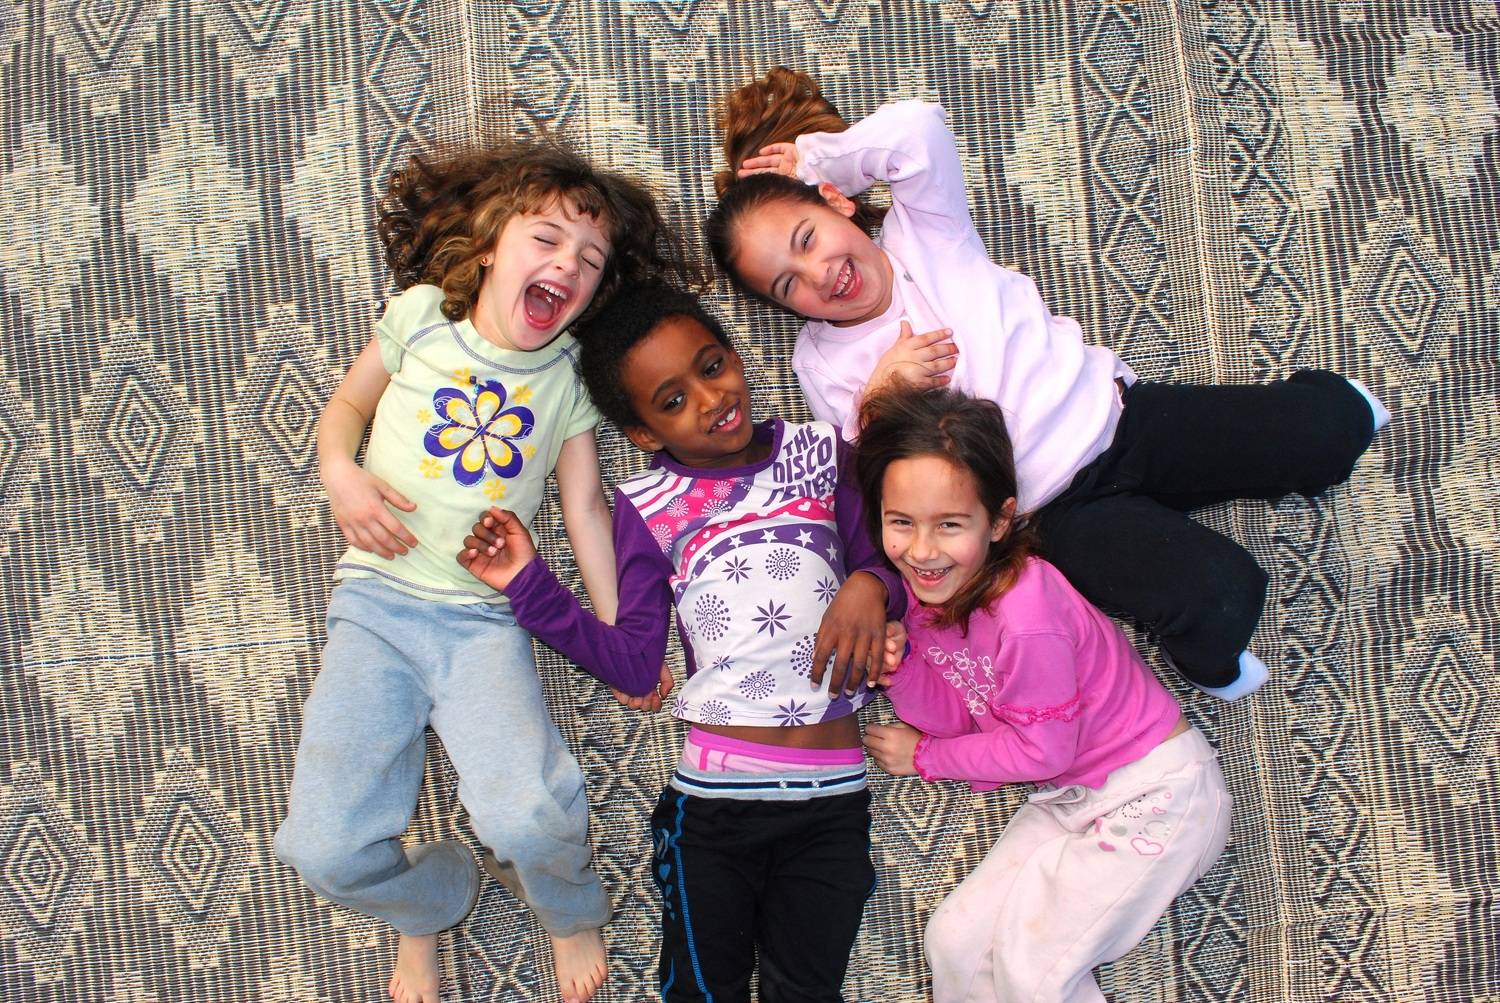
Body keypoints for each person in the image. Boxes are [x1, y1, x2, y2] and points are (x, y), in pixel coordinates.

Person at [704, 67, 1392, 701]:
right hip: (1051, 516)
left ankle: (1348, 414)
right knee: (1216, 591)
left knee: (1322, 428)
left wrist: (819, 157)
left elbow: (917, 128)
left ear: (838, 204)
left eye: (808, 239)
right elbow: (876, 480)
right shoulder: (824, 362)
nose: (819, 275)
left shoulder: (925, 235)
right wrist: (881, 397)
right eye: (788, 285)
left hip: (1124, 421)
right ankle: (1208, 664)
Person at [273, 141, 696, 1003]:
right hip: (375, 608)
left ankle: (567, 907)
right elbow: (348, 405)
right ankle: (429, 901)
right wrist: (339, 471)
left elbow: (584, 509)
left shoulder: (567, 376)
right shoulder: (421, 316)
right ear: (492, 244)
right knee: (322, 846)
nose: (567, 264)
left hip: (481, 622)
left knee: (529, 815)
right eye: (546, 239)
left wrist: (622, 644)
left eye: (590, 259)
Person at [456, 280, 907, 1003]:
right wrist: (526, 583)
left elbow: (894, 564)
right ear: (643, 434)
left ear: (733, 354)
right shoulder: (648, 507)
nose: (709, 398)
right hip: (717, 807)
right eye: (672, 400)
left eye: (711, 365)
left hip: (833, 804)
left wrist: (871, 586)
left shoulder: (823, 452)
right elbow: (637, 661)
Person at [855, 385, 1232, 1003]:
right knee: (955, 942)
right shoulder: (931, 600)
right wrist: (904, 667)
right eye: (901, 523)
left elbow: (1041, 751)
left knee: (1032, 970)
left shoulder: (1027, 610)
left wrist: (925, 756)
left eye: (949, 525)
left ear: (1000, 520)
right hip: (1069, 797)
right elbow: (962, 719)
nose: (920, 551)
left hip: (1156, 794)